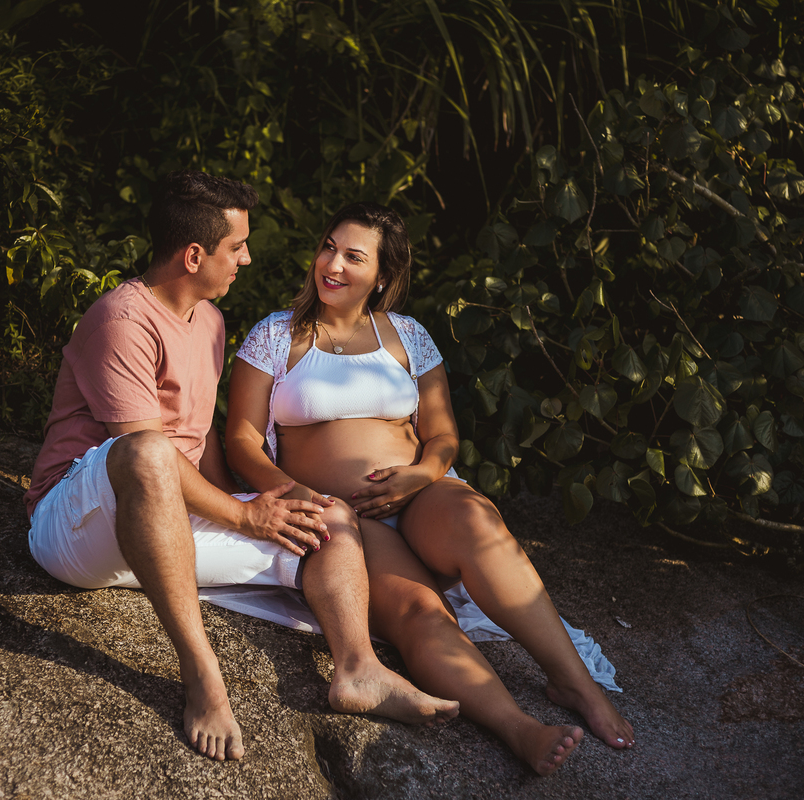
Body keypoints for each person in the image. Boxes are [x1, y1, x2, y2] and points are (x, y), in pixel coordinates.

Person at [23, 174, 458, 763]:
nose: (247, 258)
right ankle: (202, 676)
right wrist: (243, 515)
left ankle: (358, 671)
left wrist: (259, 509)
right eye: (237, 247)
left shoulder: (208, 320)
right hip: (80, 524)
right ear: (195, 254)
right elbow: (147, 454)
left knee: (322, 515)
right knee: (149, 452)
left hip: (165, 524)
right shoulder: (121, 320)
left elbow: (198, 442)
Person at [225, 202, 635, 776]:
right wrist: (295, 492)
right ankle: (519, 728)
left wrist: (420, 474)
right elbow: (240, 439)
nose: (332, 264)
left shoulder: (408, 337)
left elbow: (441, 434)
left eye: (353, 256)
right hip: (347, 518)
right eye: (328, 246)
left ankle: (575, 684)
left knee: (481, 527)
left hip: (421, 495)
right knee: (421, 610)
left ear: (383, 276)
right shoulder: (277, 334)